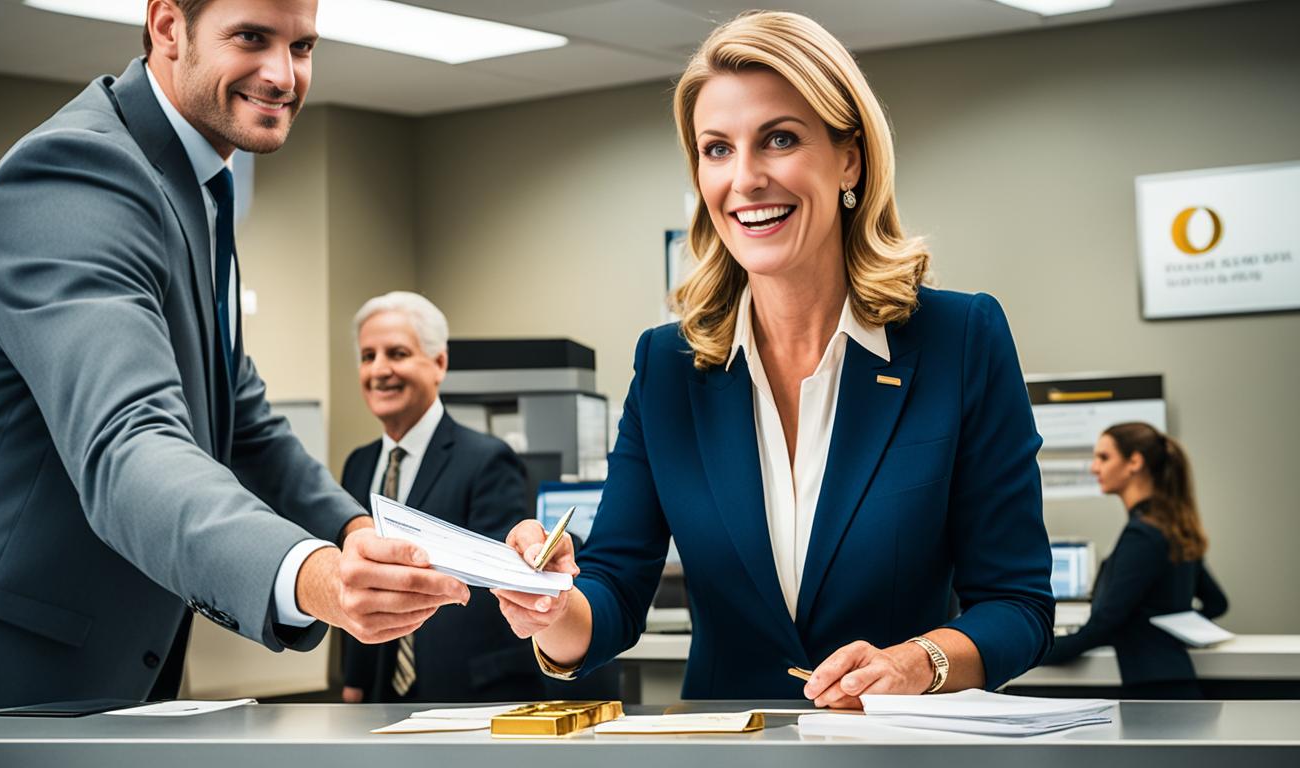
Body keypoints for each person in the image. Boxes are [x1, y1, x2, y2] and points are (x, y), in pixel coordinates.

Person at [494, 10, 1054, 706]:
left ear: (849, 155)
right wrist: (550, 607)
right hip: (732, 750)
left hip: (897, 753)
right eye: (717, 149)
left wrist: (919, 662)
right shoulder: (668, 365)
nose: (747, 178)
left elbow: (1019, 603)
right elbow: (613, 589)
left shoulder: (959, 339)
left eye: (780, 139)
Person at [0, 0, 467, 711]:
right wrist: (312, 576)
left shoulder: (196, 190)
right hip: (7, 678)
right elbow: (128, 442)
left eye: (303, 45)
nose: (283, 74)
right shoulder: (76, 174)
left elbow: (244, 422)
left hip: (123, 674)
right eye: (252, 38)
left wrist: (357, 533)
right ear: (168, 27)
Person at [338, 292, 544, 703]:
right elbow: (357, 579)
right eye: (367, 356)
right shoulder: (358, 466)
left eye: (396, 353)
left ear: (439, 363)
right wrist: (355, 681)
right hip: (382, 700)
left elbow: (498, 588)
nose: (379, 370)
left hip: (467, 696)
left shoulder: (488, 460)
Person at [1044, 423, 1227, 699]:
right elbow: (1216, 603)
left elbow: (1104, 623)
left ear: (1134, 462)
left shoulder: (1142, 535)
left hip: (1153, 692)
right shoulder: (1173, 528)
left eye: (1104, 458)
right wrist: (1168, 626)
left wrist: (1035, 652)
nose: (1095, 468)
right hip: (1173, 685)